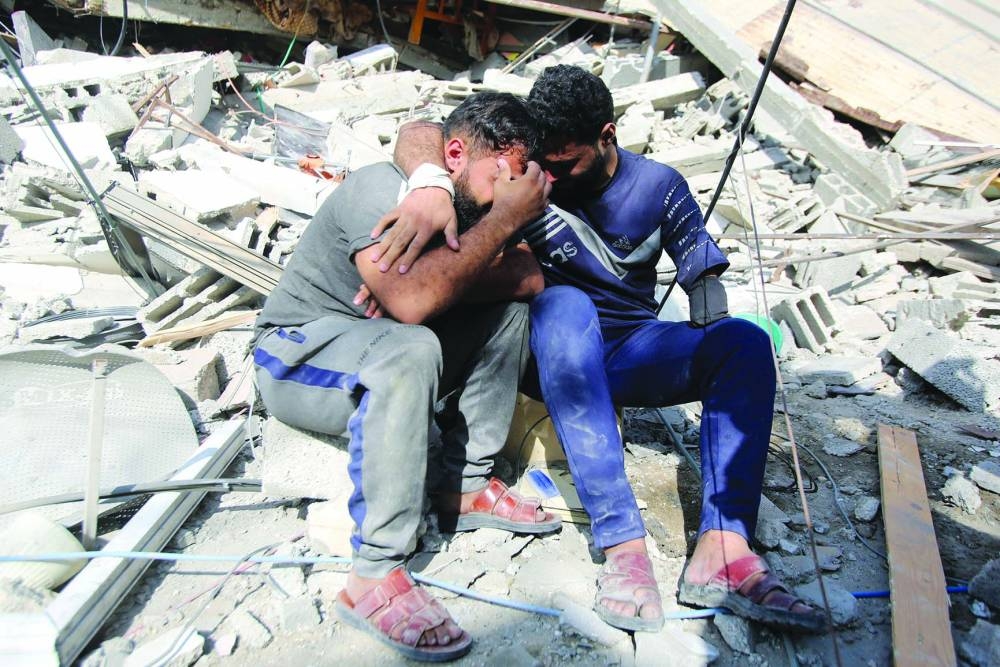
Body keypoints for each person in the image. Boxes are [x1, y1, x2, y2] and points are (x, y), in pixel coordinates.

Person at [368, 65, 827, 635]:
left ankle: (724, 548)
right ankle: (623, 547)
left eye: (565, 164)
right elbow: (422, 132)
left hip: (629, 348)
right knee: (565, 307)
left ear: (606, 136)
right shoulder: (524, 177)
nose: (550, 179)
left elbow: (702, 274)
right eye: (545, 166)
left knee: (745, 344)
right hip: (545, 352)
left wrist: (711, 307)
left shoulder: (657, 187)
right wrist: (431, 183)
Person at [253, 91, 560, 662]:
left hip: (376, 345)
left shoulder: (469, 203)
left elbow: (527, 279)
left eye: (521, 185)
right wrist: (479, 244)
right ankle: (373, 574)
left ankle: (461, 486)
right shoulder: (382, 191)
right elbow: (417, 304)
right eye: (504, 178)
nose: (511, 196)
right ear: (455, 154)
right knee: (412, 344)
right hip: (298, 352)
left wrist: (446, 274)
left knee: (504, 316)